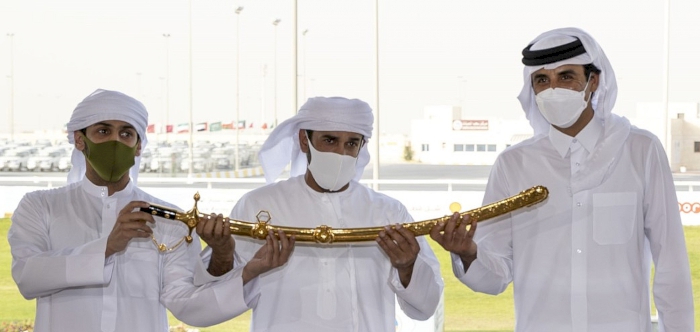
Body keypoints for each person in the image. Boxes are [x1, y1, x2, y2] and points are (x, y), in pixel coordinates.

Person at [431, 28, 695, 331]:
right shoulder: (513, 164)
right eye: (542, 80)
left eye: (566, 76)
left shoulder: (640, 151)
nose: (553, 88)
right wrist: (468, 253)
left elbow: (671, 264)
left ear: (593, 82)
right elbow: (495, 277)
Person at [7, 89, 291, 331]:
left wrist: (239, 265)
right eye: (103, 131)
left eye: (126, 133)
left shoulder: (167, 218)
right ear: (80, 140)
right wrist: (106, 247)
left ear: (139, 146)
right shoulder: (41, 206)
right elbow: (28, 277)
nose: (115, 142)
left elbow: (187, 304)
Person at [225, 96, 443, 331]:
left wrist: (407, 268)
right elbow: (218, 295)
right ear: (304, 140)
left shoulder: (388, 211)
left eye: (351, 143)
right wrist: (220, 253)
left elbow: (426, 306)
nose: (340, 153)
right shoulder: (259, 205)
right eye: (330, 140)